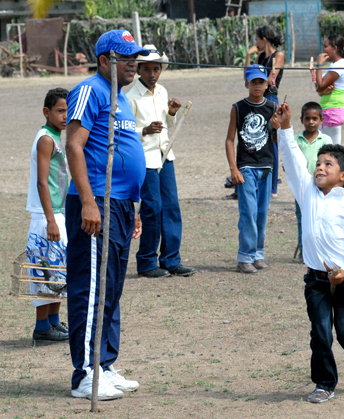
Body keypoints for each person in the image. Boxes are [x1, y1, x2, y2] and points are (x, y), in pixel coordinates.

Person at [65, 29, 148, 401]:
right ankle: (85, 373)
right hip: (95, 203)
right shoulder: (90, 90)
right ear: (104, 60)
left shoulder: (121, 98)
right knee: (92, 286)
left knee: (111, 286)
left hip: (119, 205)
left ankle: (104, 364)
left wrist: (133, 206)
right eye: (126, 56)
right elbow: (74, 145)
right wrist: (88, 202)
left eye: (135, 56)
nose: (134, 62)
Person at [277, 102, 344, 404]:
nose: (319, 167)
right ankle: (324, 384)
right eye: (318, 163)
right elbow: (293, 160)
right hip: (316, 282)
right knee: (320, 333)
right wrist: (284, 128)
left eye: (328, 164)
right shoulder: (307, 193)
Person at [127, 44, 196, 279]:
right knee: (152, 208)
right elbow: (124, 131)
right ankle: (146, 262)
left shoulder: (163, 92)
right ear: (138, 70)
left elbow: (167, 125)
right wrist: (144, 130)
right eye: (146, 70)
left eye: (156, 69)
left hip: (165, 157)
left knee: (171, 207)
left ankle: (171, 260)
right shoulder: (130, 97)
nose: (152, 74)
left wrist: (172, 113)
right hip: (144, 159)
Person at [26, 87, 70, 343]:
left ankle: (54, 322)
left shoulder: (56, 136)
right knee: (44, 272)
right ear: (47, 112)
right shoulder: (45, 139)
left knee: (58, 272)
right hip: (47, 217)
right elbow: (43, 183)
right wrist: (51, 219)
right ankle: (42, 327)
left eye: (68, 111)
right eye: (60, 110)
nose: (65, 116)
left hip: (58, 213)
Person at [225, 64, 277, 274]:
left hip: (266, 166)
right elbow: (229, 140)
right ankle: (245, 256)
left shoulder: (272, 108)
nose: (257, 85)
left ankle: (258, 254)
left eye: (261, 81)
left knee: (262, 213)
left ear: (267, 84)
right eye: (253, 81)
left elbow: (276, 137)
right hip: (246, 166)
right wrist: (233, 168)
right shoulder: (238, 108)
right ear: (246, 83)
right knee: (248, 212)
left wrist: (281, 123)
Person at [245, 25, 285, 198]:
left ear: (264, 39)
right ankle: (258, 182)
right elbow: (248, 78)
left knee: (272, 145)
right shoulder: (260, 56)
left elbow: (269, 80)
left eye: (257, 39)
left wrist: (256, 78)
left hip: (271, 102)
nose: (256, 43)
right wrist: (248, 56)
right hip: (257, 102)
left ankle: (273, 188)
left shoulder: (279, 56)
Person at [293, 102, 332, 260]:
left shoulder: (326, 139)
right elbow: (291, 160)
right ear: (301, 119)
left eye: (314, 119)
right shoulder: (296, 140)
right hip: (302, 187)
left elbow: (331, 162)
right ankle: (305, 251)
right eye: (307, 118)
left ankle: (321, 249)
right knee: (303, 218)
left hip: (321, 187)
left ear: (321, 120)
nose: (311, 122)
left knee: (321, 217)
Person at [312, 34, 344, 146]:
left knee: (331, 149)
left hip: (333, 111)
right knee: (328, 148)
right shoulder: (335, 64)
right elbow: (318, 89)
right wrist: (323, 91)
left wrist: (319, 64)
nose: (323, 50)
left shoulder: (339, 65)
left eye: (326, 46)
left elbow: (319, 85)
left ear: (334, 48)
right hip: (330, 110)